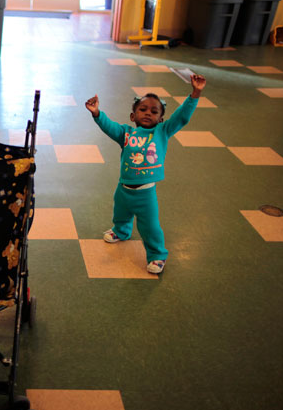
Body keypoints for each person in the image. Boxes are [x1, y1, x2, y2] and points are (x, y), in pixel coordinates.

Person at [84, 74, 207, 274]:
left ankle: (158, 255)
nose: (148, 113)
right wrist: (97, 113)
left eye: (154, 111)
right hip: (124, 188)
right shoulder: (126, 133)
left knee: (150, 227)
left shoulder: (162, 131)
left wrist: (195, 93)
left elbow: (182, 117)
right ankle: (121, 231)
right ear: (133, 116)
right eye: (142, 109)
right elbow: (110, 127)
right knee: (120, 213)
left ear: (161, 118)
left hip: (146, 193)